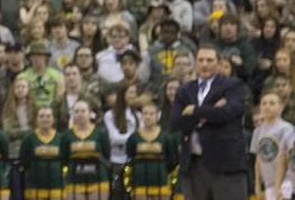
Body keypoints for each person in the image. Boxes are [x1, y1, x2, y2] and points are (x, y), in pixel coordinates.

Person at [170, 45, 248, 200]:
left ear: (219, 63)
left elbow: (227, 113)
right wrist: (211, 110)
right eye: (201, 60)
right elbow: (176, 123)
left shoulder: (233, 85)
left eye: (210, 60)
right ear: (195, 63)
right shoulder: (185, 90)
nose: (205, 64)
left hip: (225, 162)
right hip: (193, 163)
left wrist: (195, 111)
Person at [126, 99, 178, 200]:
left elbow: (172, 161)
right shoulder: (133, 138)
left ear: (158, 116)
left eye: (151, 114)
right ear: (141, 116)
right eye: (145, 113)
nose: (148, 117)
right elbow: (130, 159)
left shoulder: (167, 137)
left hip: (161, 182)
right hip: (139, 183)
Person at [250, 91, 294, 200]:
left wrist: (279, 186)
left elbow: (287, 157)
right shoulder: (258, 131)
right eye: (263, 103)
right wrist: (257, 184)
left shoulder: (287, 129)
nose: (267, 106)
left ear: (281, 107)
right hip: (269, 183)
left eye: (272, 103)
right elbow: (258, 159)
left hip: (287, 182)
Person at [65, 99, 112, 200]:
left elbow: (107, 155)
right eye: (76, 111)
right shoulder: (67, 134)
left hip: (98, 178)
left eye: (83, 111)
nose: (80, 114)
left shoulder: (100, 132)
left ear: (90, 113)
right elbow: (64, 158)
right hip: (74, 179)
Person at [20, 105, 65, 199]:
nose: (45, 119)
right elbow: (24, 162)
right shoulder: (28, 139)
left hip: (57, 187)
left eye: (48, 116)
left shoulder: (61, 139)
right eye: (41, 116)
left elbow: (65, 161)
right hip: (34, 188)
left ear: (53, 119)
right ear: (36, 119)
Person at [23, 41, 65, 109]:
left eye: (39, 55)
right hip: (30, 111)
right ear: (29, 58)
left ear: (46, 57)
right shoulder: (23, 77)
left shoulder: (58, 76)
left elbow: (60, 98)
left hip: (51, 111)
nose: (36, 58)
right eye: (33, 55)